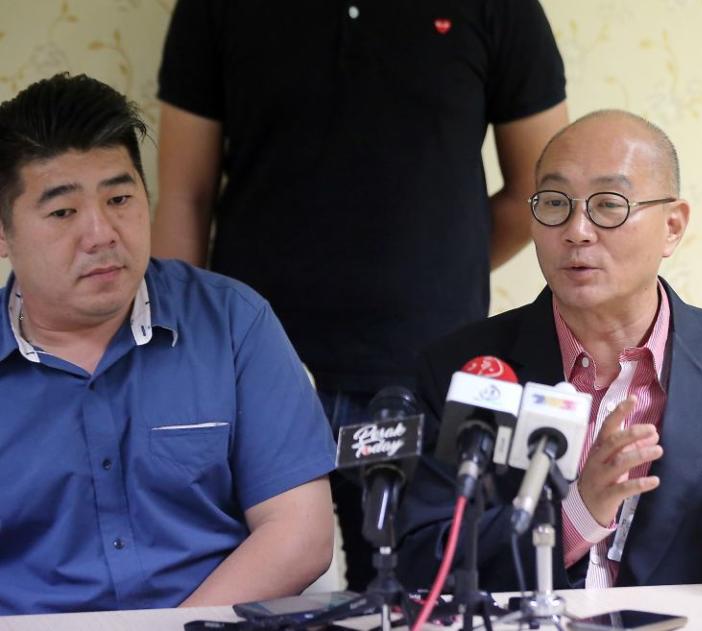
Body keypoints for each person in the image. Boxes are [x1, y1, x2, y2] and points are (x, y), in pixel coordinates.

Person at [151, 0, 568, 590]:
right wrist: (179, 359)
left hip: (425, 373)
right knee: (253, 600)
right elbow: (183, 197)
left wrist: (439, 269)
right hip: (261, 372)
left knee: (426, 593)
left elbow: (540, 188)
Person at [396, 110, 702, 590]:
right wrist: (576, 516)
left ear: (672, 227)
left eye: (609, 204)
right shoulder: (469, 370)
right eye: (553, 202)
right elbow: (420, 554)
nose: (577, 230)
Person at [0, 73, 337, 614]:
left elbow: (300, 531)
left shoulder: (233, 322)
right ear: (3, 230)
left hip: (214, 623)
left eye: (120, 198)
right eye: (63, 212)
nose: (101, 233)